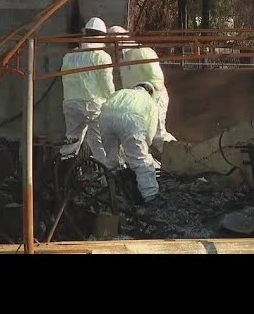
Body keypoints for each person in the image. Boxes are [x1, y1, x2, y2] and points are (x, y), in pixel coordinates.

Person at [107, 25, 176, 153]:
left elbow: (157, 79)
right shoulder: (123, 58)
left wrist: (148, 96)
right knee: (141, 133)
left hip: (154, 97)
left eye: (112, 41)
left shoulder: (142, 51)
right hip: (139, 101)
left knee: (157, 134)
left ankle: (180, 156)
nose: (111, 46)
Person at [59, 17, 114, 165]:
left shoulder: (69, 55)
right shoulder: (102, 57)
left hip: (70, 104)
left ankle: (64, 177)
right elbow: (107, 86)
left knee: (71, 141)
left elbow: (65, 80)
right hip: (93, 104)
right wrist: (113, 103)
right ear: (102, 36)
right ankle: (107, 182)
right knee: (98, 144)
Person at [99, 82, 160, 203]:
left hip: (105, 119)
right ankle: (150, 196)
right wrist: (146, 144)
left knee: (111, 159)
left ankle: (108, 188)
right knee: (141, 161)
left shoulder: (121, 92)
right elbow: (150, 133)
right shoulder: (149, 101)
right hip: (131, 121)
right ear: (150, 93)